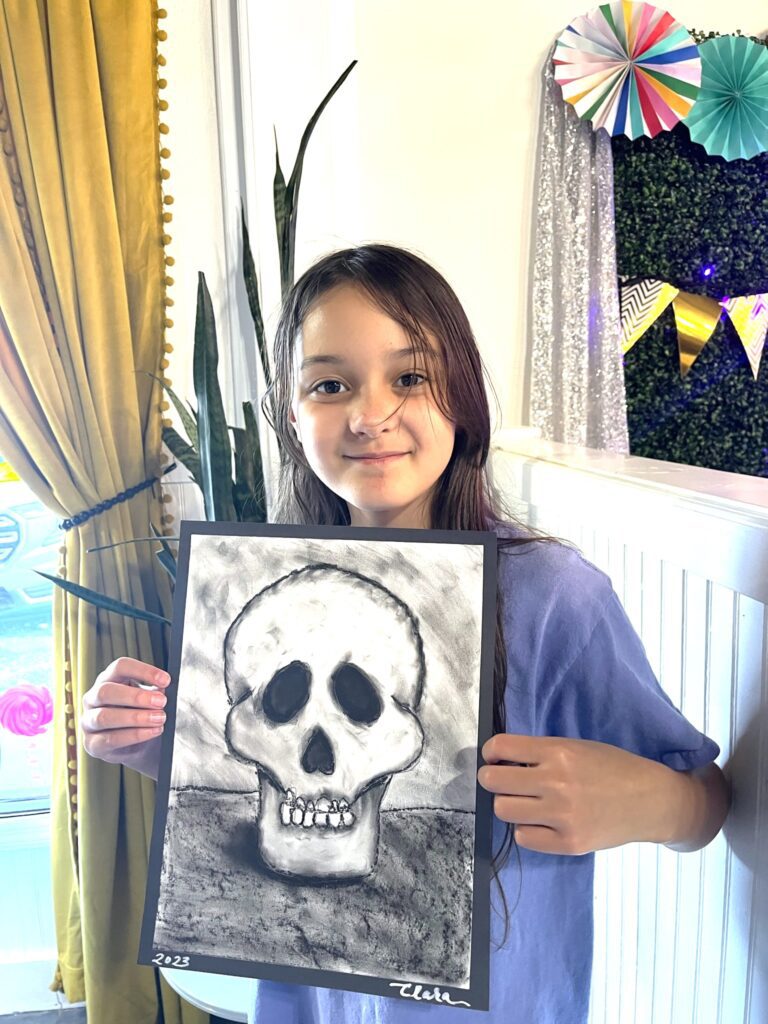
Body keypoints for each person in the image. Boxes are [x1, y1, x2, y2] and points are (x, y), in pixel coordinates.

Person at [82, 244, 730, 1023]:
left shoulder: (553, 595)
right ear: (293, 415)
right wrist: (157, 744)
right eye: (330, 384)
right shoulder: (260, 589)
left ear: (458, 393)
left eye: (410, 377)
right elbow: (244, 777)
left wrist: (650, 801)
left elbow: (706, 802)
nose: (369, 414)